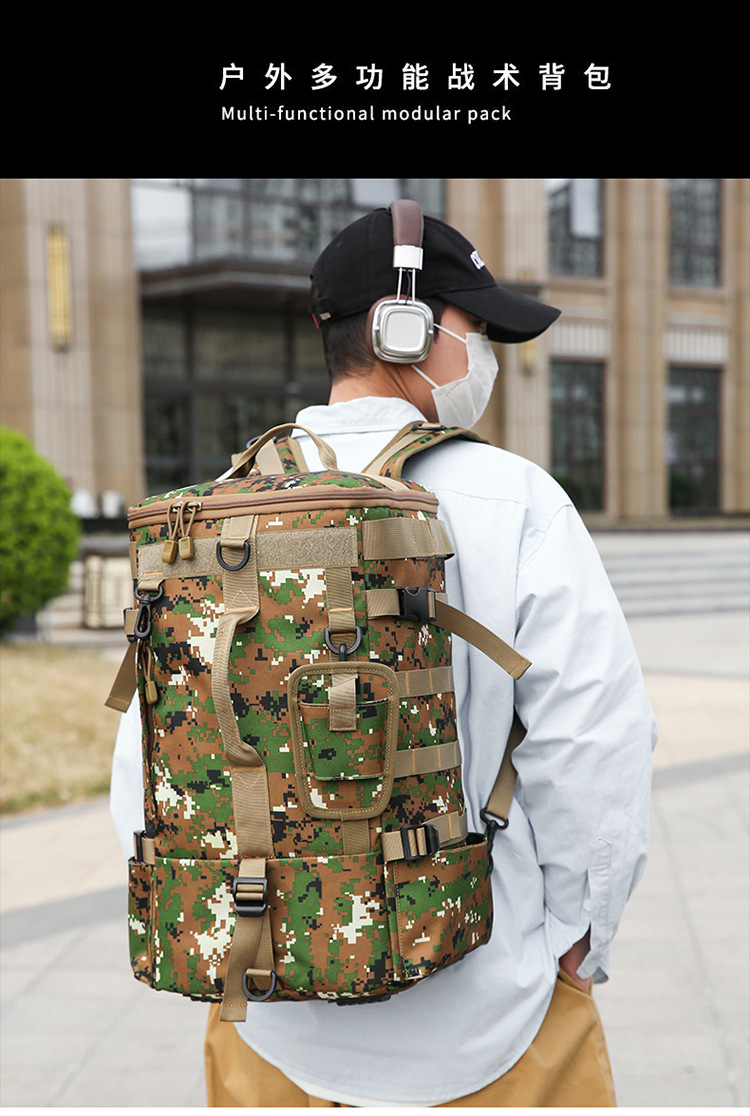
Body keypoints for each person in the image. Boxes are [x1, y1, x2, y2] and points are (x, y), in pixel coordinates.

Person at [110, 202, 657, 1108]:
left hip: (267, 1021)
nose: (485, 355)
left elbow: (149, 757)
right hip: (492, 1022)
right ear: (407, 328)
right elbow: (597, 742)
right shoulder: (516, 500)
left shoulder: (214, 515)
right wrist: (581, 936)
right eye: (477, 329)